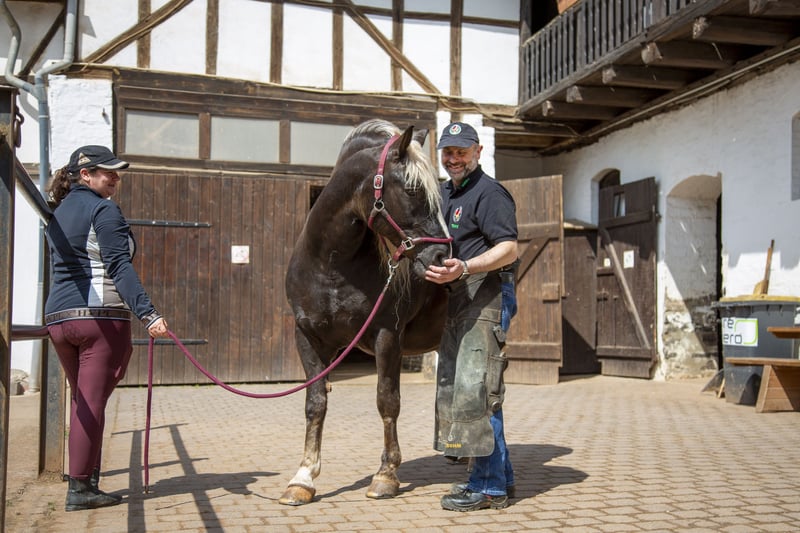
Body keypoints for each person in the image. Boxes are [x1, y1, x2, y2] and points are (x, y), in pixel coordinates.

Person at [44, 145, 169, 511]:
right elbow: (119, 266)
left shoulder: (58, 212)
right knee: (92, 402)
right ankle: (80, 488)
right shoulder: (104, 209)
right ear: (85, 175)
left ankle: (86, 479)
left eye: (116, 172)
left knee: (84, 401)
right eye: (107, 172)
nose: (115, 178)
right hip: (99, 317)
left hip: (59, 318)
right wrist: (148, 313)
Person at [425, 122, 519, 512]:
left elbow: (509, 248)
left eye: (461, 152)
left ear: (478, 152)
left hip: (488, 294)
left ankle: (487, 488)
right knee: (468, 390)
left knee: (477, 392)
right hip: (459, 297)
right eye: (448, 152)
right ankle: (500, 477)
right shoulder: (443, 193)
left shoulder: (490, 193)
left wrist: (465, 267)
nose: (454, 159)